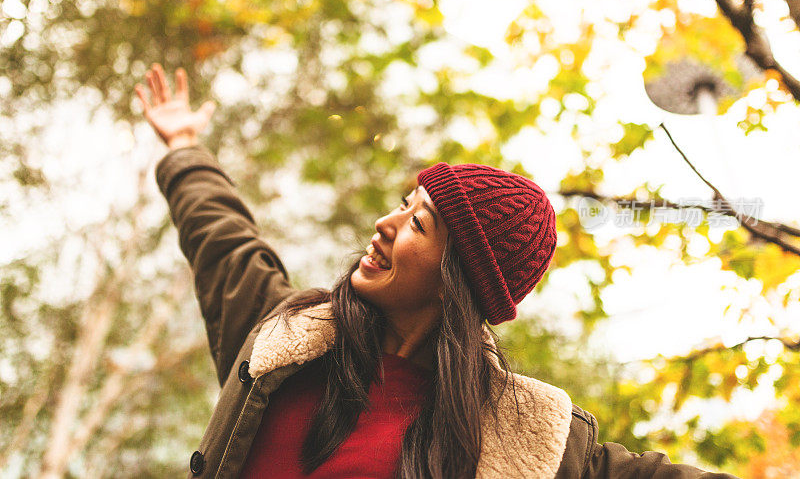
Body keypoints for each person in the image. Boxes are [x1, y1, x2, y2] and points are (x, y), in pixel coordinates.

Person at [135, 63, 738, 478]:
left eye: (418, 224)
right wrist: (184, 147)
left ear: (459, 279)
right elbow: (223, 240)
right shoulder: (286, 340)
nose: (384, 224)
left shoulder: (522, 434)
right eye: (404, 205)